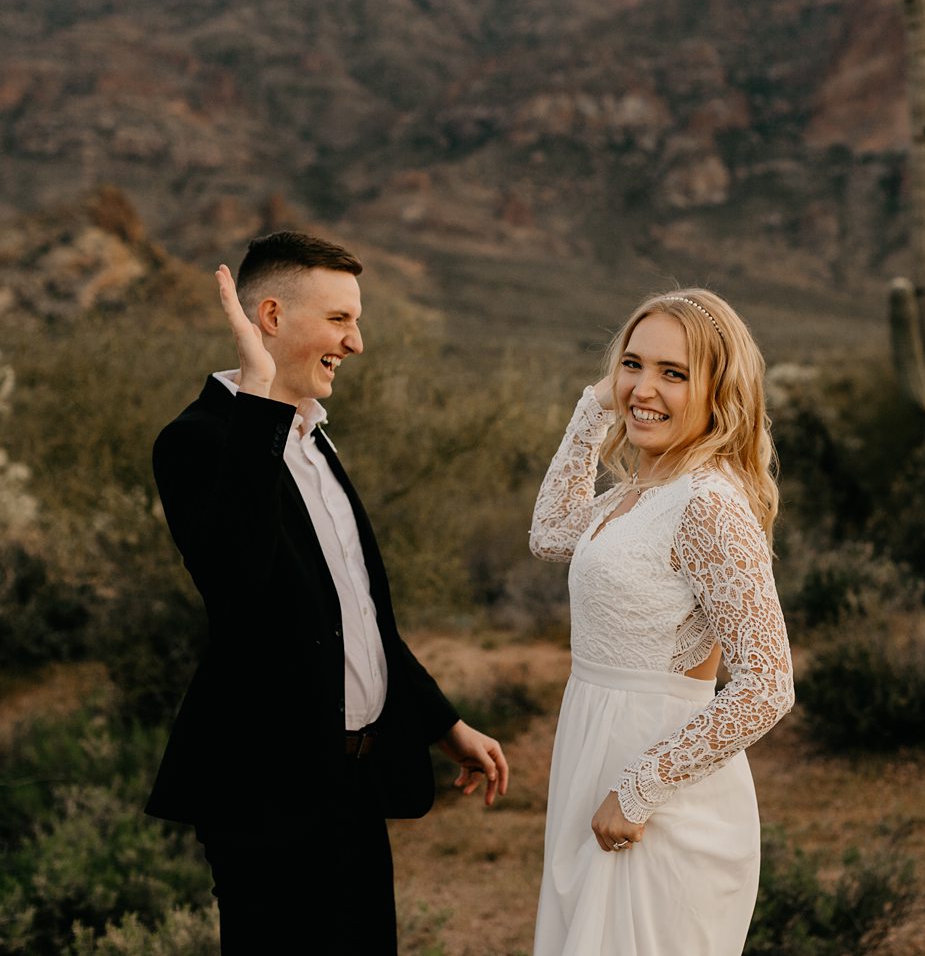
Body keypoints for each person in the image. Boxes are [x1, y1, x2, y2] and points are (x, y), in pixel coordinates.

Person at [147, 230, 509, 954]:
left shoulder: (316, 442)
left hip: (354, 782)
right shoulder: (196, 442)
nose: (357, 342)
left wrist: (442, 723)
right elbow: (240, 589)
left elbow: (355, 615)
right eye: (340, 320)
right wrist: (256, 395)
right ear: (271, 318)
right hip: (264, 789)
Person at [529, 288, 795, 955]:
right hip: (589, 758)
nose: (645, 388)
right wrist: (596, 406)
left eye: (673, 373)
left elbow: (768, 682)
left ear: (718, 388)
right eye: (633, 364)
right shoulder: (632, 496)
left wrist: (642, 788)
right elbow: (549, 530)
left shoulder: (709, 505)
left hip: (659, 798)